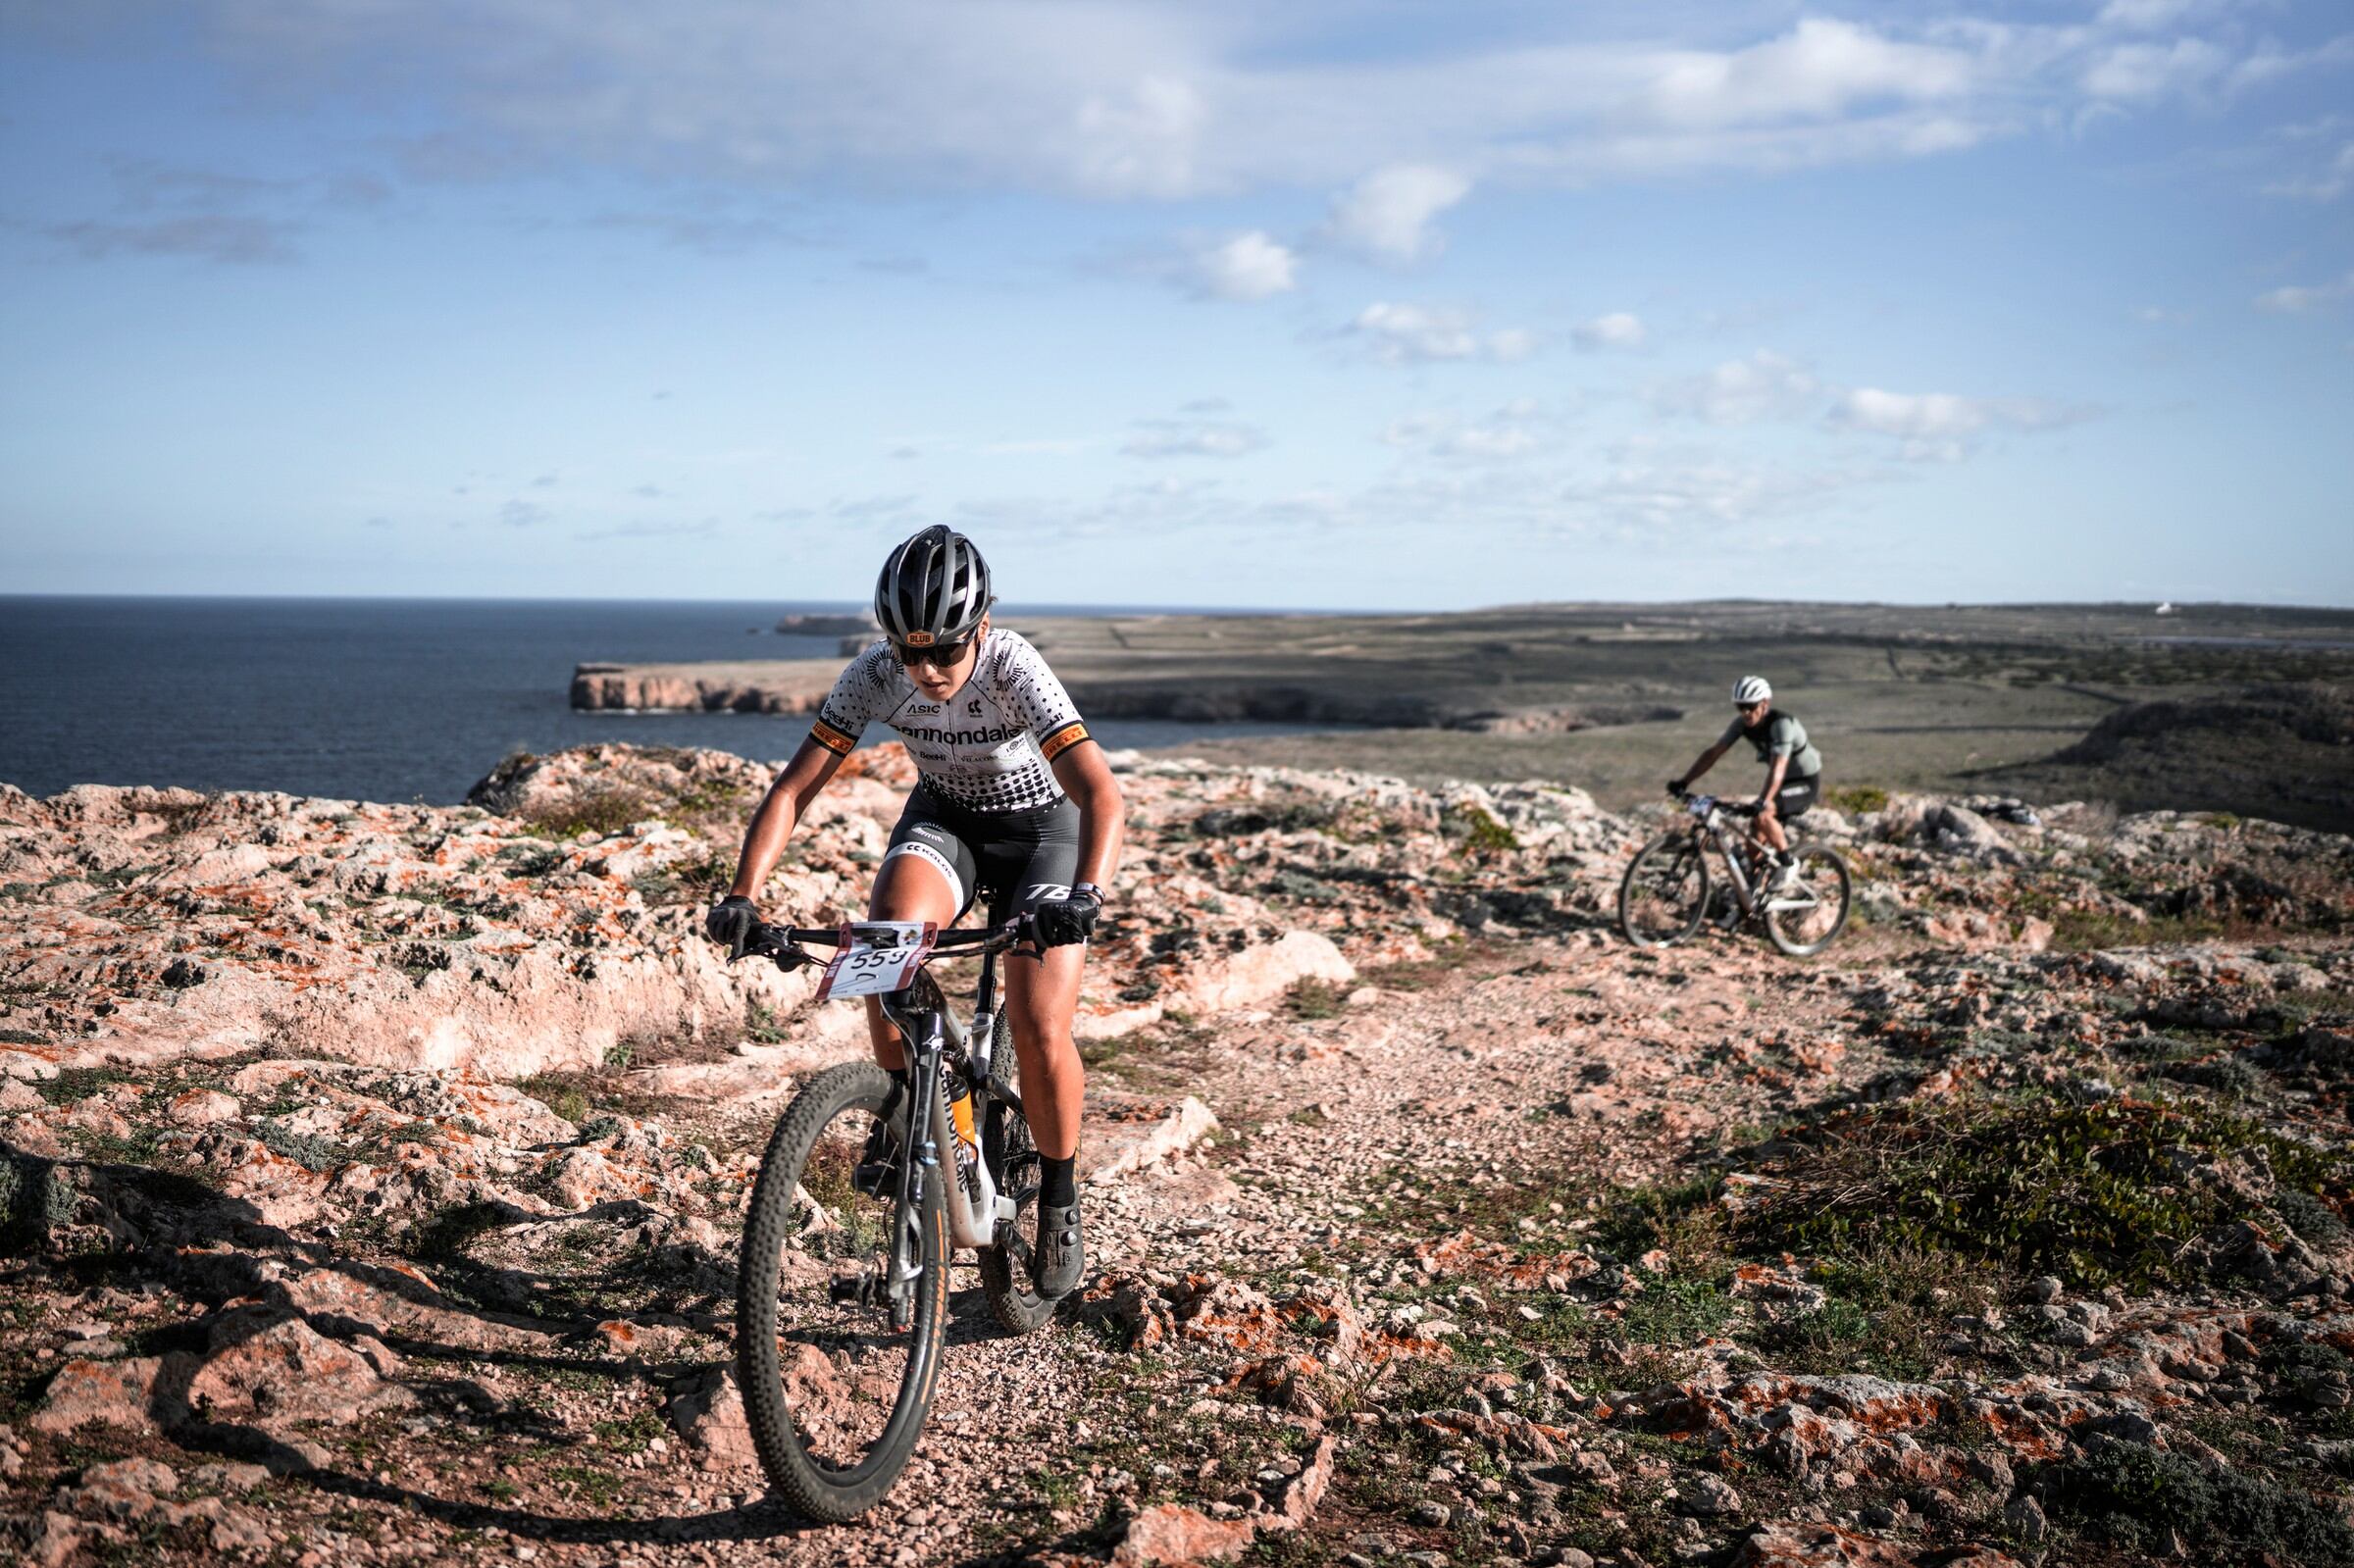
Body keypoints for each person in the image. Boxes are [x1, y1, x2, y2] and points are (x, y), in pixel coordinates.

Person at [703, 526, 1124, 1300]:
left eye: (945, 652)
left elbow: (1100, 792)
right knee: (885, 946)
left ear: (982, 629)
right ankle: (908, 1115)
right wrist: (742, 894)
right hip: (948, 823)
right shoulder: (872, 674)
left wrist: (1085, 895)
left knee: (1036, 1023)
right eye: (909, 653)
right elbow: (794, 789)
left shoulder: (1013, 667)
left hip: (1041, 836)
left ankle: (1060, 1195)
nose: (926, 671)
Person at [1668, 676, 1823, 892]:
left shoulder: (1782, 724)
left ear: (1764, 704)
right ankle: (1754, 898)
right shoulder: (1742, 724)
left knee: (1763, 813)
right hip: (1778, 783)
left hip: (1803, 782)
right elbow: (1714, 753)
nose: (1745, 713)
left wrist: (1764, 800)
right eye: (1740, 707)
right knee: (1753, 847)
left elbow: (1778, 768)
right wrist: (1684, 782)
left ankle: (1788, 863)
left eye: (1750, 707)